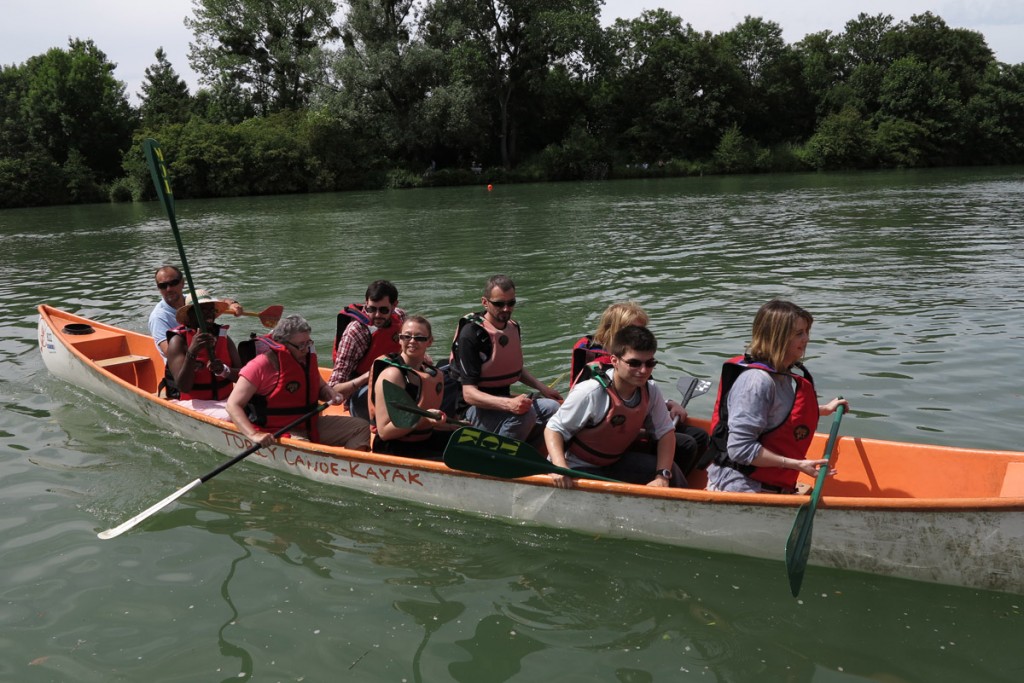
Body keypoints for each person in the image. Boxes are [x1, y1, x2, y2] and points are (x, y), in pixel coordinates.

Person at [705, 299, 849, 494]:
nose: (806, 339)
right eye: (799, 334)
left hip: (772, 485)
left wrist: (822, 410)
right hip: (741, 486)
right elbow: (739, 449)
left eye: (806, 332)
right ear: (777, 337)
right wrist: (796, 465)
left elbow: (776, 415)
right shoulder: (756, 381)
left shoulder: (781, 374)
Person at [572, 301, 710, 475]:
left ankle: (669, 480)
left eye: (643, 330)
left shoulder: (638, 358)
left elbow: (643, 393)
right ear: (615, 332)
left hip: (633, 421)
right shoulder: (599, 372)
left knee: (700, 436)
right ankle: (661, 481)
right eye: (634, 330)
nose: (641, 336)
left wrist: (668, 403)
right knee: (686, 444)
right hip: (611, 432)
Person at [544, 325, 684, 488]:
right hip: (578, 467)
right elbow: (553, 429)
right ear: (614, 361)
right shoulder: (591, 392)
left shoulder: (651, 390)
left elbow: (665, 432)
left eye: (650, 363)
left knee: (671, 469)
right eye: (634, 363)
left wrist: (662, 476)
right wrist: (560, 467)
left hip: (614, 462)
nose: (643, 370)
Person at [226, 315, 371, 450]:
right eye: (301, 345)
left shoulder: (306, 360)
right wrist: (254, 435)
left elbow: (320, 387)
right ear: (282, 343)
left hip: (309, 424)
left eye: (308, 343)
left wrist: (330, 393)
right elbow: (233, 405)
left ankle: (352, 468)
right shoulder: (260, 366)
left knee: (361, 427)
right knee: (307, 448)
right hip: (277, 430)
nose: (306, 349)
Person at [448, 274, 562, 443]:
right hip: (473, 409)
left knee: (553, 407)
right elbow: (469, 394)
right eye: (499, 304)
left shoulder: (513, 327)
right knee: (524, 415)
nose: (506, 309)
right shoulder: (471, 335)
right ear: (485, 302)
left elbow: (512, 367)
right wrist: (509, 405)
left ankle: (533, 454)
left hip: (504, 401)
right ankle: (499, 459)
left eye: (511, 303)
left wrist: (543, 388)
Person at [368, 316, 456, 458]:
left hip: (424, 440)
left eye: (419, 338)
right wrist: (425, 419)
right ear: (399, 339)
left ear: (430, 341)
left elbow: (429, 422)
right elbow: (384, 432)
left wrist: (451, 425)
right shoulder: (392, 375)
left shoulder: (433, 374)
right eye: (407, 336)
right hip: (395, 446)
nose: (412, 341)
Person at [328, 280, 406, 421]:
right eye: (371, 309)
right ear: (366, 304)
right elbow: (333, 391)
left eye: (383, 310)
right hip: (362, 393)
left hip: (395, 382)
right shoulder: (355, 333)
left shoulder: (400, 317)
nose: (376, 315)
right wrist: (369, 375)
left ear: (394, 305)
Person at [163, 290, 242, 419]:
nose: (209, 314)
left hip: (226, 399)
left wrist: (224, 370)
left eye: (211, 310)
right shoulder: (178, 341)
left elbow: (242, 377)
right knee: (233, 415)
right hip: (194, 403)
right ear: (190, 315)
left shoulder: (223, 337)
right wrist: (192, 352)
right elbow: (184, 387)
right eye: (202, 310)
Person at [148, 265, 242, 359]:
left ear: (182, 283)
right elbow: (170, 352)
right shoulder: (158, 317)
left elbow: (220, 302)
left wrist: (233, 304)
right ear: (158, 288)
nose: (169, 289)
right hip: (183, 363)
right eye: (163, 286)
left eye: (173, 283)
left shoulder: (191, 299)